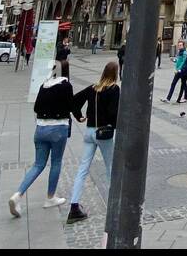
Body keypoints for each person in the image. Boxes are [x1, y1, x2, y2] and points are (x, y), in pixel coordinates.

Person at [9, 62, 74, 216]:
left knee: (38, 164)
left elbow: (37, 108)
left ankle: (18, 194)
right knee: (56, 162)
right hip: (58, 129)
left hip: (40, 129)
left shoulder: (44, 86)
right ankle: (50, 198)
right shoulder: (66, 85)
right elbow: (70, 105)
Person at [67, 60, 120, 224]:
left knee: (83, 169)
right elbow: (113, 112)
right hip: (103, 133)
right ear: (116, 74)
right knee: (110, 168)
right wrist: (116, 125)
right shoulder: (114, 89)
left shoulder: (93, 88)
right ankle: (115, 205)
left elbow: (73, 101)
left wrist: (79, 116)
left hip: (89, 131)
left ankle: (74, 206)